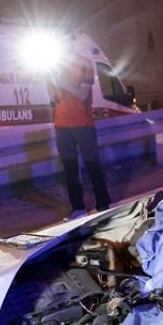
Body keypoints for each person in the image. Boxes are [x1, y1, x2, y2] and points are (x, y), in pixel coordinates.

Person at [53, 55, 111, 216]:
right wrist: (54, 78)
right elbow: (57, 97)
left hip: (83, 125)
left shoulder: (84, 63)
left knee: (92, 165)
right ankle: (77, 208)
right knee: (70, 168)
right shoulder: (54, 65)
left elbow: (83, 94)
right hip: (62, 126)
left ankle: (103, 202)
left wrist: (61, 81)